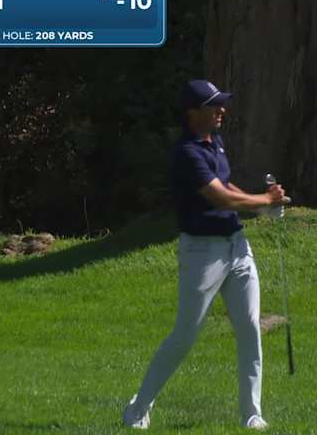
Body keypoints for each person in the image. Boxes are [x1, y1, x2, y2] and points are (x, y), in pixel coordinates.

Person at [122, 79, 287, 430]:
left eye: (221, 105)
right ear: (192, 113)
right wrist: (265, 202)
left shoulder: (215, 144)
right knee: (185, 335)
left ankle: (252, 414)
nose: (222, 111)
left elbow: (227, 186)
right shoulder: (187, 153)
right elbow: (220, 199)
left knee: (249, 329)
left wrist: (262, 203)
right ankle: (138, 407)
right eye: (214, 106)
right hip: (203, 253)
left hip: (237, 247)